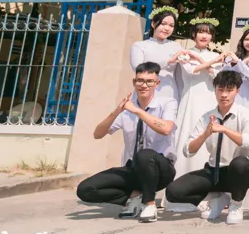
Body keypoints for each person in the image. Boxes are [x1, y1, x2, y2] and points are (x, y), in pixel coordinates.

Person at [75, 62, 177, 223]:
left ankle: (149, 204)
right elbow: (98, 134)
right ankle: (133, 199)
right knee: (85, 189)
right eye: (140, 80)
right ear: (134, 82)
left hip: (161, 170)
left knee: (145, 155)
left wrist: (137, 111)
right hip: (134, 169)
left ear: (157, 83)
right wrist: (117, 111)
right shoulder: (126, 110)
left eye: (149, 81)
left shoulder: (167, 103)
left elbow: (166, 129)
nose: (144, 85)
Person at [165, 70, 249, 225]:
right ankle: (216, 200)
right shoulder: (207, 117)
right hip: (213, 171)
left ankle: (236, 204)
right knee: (173, 191)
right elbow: (188, 150)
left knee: (241, 164)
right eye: (220, 89)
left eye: (229, 90)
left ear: (237, 91)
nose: (224, 95)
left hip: (237, 173)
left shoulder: (245, 114)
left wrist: (225, 129)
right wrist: (205, 134)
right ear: (214, 90)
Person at [168, 18, 224, 209]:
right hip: (191, 100)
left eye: (208, 32)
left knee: (208, 142)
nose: (204, 36)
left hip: (209, 100)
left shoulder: (214, 55)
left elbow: (216, 76)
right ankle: (180, 194)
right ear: (194, 34)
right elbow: (191, 71)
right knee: (188, 138)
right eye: (201, 32)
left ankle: (207, 194)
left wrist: (208, 61)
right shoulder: (185, 54)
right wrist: (209, 63)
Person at [129, 6, 185, 104]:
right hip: (146, 94)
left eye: (171, 25)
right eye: (163, 24)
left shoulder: (176, 47)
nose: (167, 28)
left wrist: (181, 98)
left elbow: (179, 77)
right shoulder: (139, 46)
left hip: (170, 95)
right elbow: (139, 69)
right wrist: (168, 61)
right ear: (153, 23)